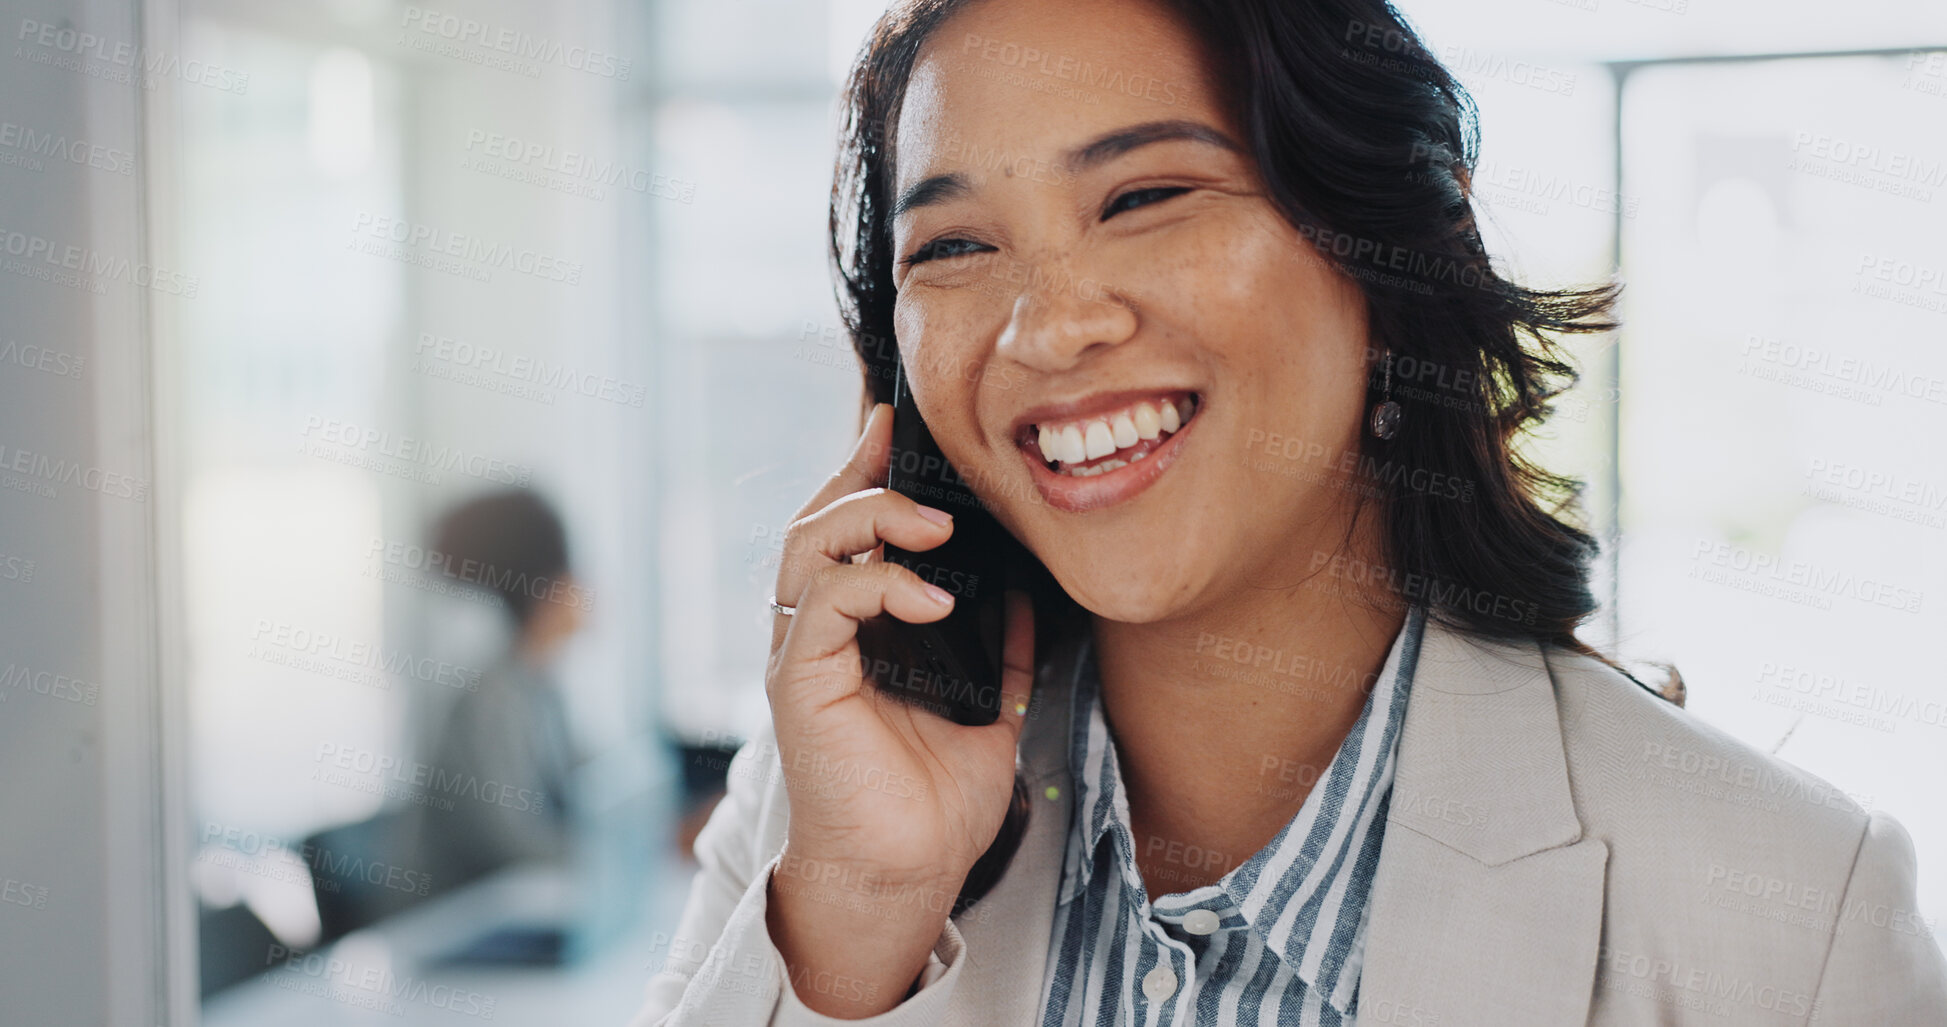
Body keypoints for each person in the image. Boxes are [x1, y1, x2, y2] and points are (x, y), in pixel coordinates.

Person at [631, 0, 1947, 1023]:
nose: (1044, 329)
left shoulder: (1785, 912)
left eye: (1142, 197)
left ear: (1385, 246)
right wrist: (854, 929)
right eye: (954, 247)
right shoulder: (816, 817)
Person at [413, 489, 584, 890]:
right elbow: (515, 846)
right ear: (549, 591)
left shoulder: (539, 688)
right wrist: (608, 856)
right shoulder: (490, 701)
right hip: (450, 925)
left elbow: (582, 787)